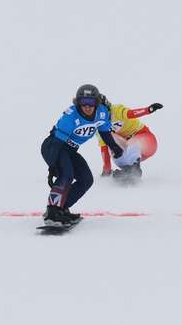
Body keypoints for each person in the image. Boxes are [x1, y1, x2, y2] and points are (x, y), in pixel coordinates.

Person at [41, 84, 123, 226]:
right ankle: (52, 211)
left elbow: (104, 131)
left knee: (86, 179)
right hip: (54, 146)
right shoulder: (71, 116)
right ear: (77, 103)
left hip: (70, 150)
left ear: (97, 103)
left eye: (91, 103)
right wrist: (53, 165)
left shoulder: (102, 112)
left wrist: (114, 146)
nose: (87, 106)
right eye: (83, 103)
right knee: (66, 175)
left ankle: (61, 208)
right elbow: (57, 142)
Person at [96, 100, 164, 179]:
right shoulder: (98, 126)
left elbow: (131, 113)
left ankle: (134, 170)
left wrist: (148, 110)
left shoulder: (116, 110)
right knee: (109, 140)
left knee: (132, 143)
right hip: (128, 151)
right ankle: (126, 171)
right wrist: (106, 171)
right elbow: (104, 149)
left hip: (146, 142)